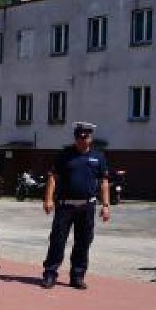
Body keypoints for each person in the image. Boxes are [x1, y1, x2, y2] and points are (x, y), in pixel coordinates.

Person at [41, 122, 110, 290]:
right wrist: (48, 199)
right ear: (75, 138)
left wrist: (106, 205)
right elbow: (53, 178)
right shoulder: (65, 155)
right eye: (79, 137)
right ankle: (50, 273)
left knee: (83, 242)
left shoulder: (98, 157)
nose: (82, 140)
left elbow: (104, 182)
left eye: (85, 137)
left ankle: (77, 276)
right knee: (57, 240)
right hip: (65, 205)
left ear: (91, 138)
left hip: (87, 207)